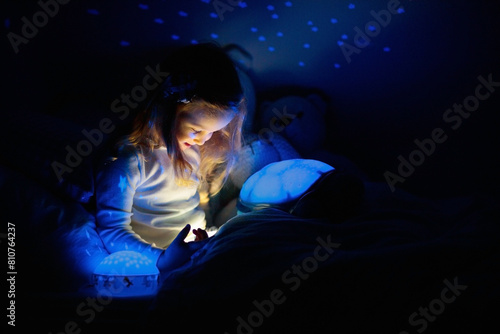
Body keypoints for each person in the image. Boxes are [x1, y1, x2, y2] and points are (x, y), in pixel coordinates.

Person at [94, 43, 246, 273]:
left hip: (194, 255)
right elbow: (112, 230)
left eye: (212, 132)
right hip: (154, 261)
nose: (203, 140)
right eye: (196, 130)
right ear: (165, 109)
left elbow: (192, 206)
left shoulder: (192, 150)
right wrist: (162, 259)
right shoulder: (130, 161)